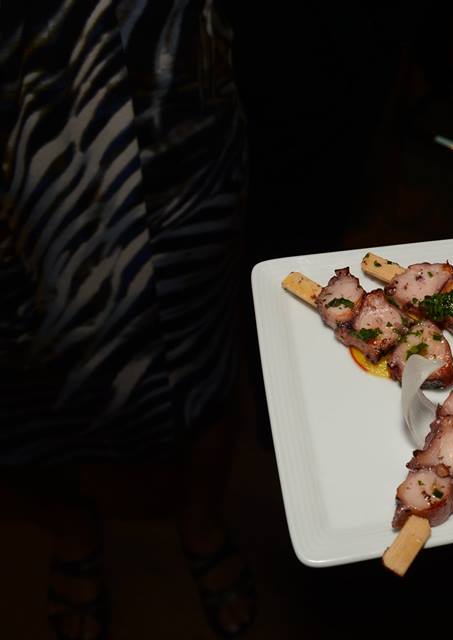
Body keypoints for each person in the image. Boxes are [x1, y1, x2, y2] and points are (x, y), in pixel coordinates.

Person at [1, 1, 253, 637]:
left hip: (175, 95)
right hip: (12, 112)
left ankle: (200, 521)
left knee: (203, 356)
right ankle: (72, 533)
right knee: (24, 382)